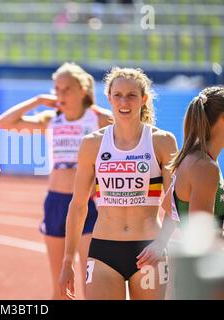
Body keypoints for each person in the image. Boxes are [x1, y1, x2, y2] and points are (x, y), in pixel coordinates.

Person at [59, 67, 178, 300]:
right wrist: (67, 260)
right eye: (118, 95)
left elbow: (175, 202)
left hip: (149, 250)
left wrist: (161, 243)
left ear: (143, 99)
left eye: (132, 95)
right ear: (109, 98)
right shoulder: (92, 144)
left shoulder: (161, 141)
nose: (124, 101)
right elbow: (78, 206)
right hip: (103, 251)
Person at [0, 62, 112, 299]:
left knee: (92, 283)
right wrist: (38, 100)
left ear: (83, 90)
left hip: (88, 206)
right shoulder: (51, 119)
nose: (60, 94)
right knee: (60, 287)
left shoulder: (100, 119)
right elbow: (3, 123)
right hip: (56, 203)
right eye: (56, 89)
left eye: (66, 89)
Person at [162, 86, 224, 233]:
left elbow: (168, 206)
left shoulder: (197, 158)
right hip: (201, 255)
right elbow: (202, 237)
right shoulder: (204, 166)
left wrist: (160, 244)